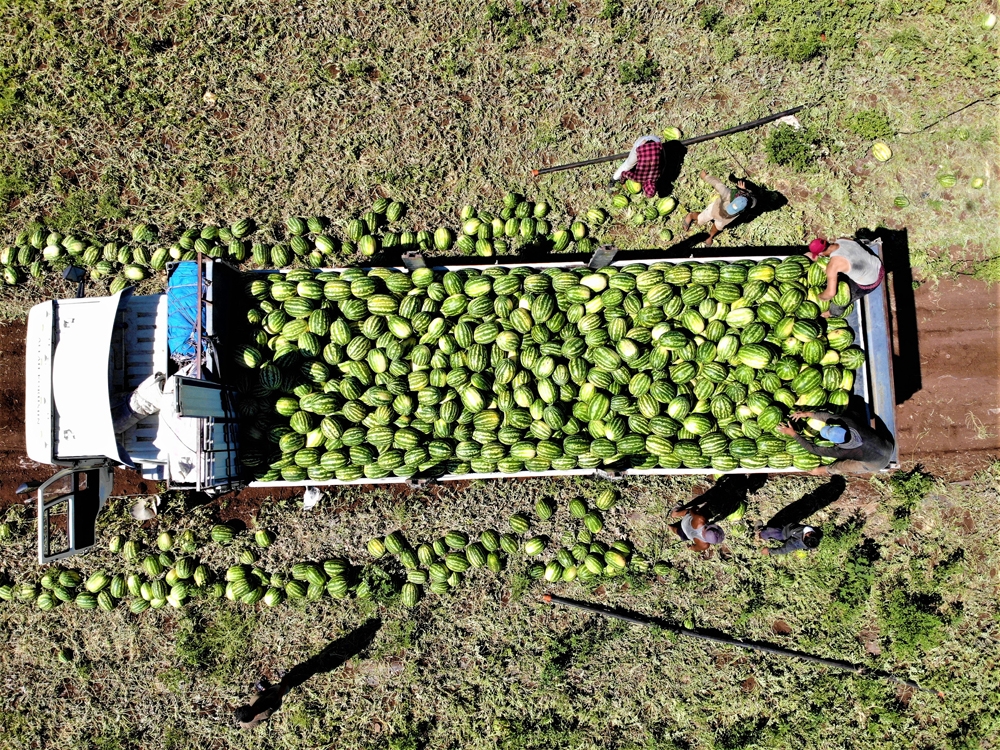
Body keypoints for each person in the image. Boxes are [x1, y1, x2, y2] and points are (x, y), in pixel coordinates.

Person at [776, 410, 894, 475]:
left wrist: (793, 434)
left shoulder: (843, 452)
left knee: (844, 466)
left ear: (835, 444)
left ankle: (820, 471)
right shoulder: (850, 423)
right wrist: (807, 414)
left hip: (876, 463)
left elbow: (812, 449)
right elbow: (828, 417)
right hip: (887, 445)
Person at [806, 237, 885, 318]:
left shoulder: (833, 266)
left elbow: (830, 293)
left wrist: (820, 296)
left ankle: (831, 313)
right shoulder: (842, 240)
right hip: (878, 264)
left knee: (841, 300)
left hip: (872, 281)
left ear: (821, 254)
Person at [682, 171, 756, 247]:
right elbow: (717, 184)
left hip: (726, 219)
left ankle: (710, 236)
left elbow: (753, 199)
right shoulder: (727, 193)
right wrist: (705, 177)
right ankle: (690, 216)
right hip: (714, 210)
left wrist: (745, 191)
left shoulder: (749, 203)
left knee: (718, 227)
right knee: (701, 218)